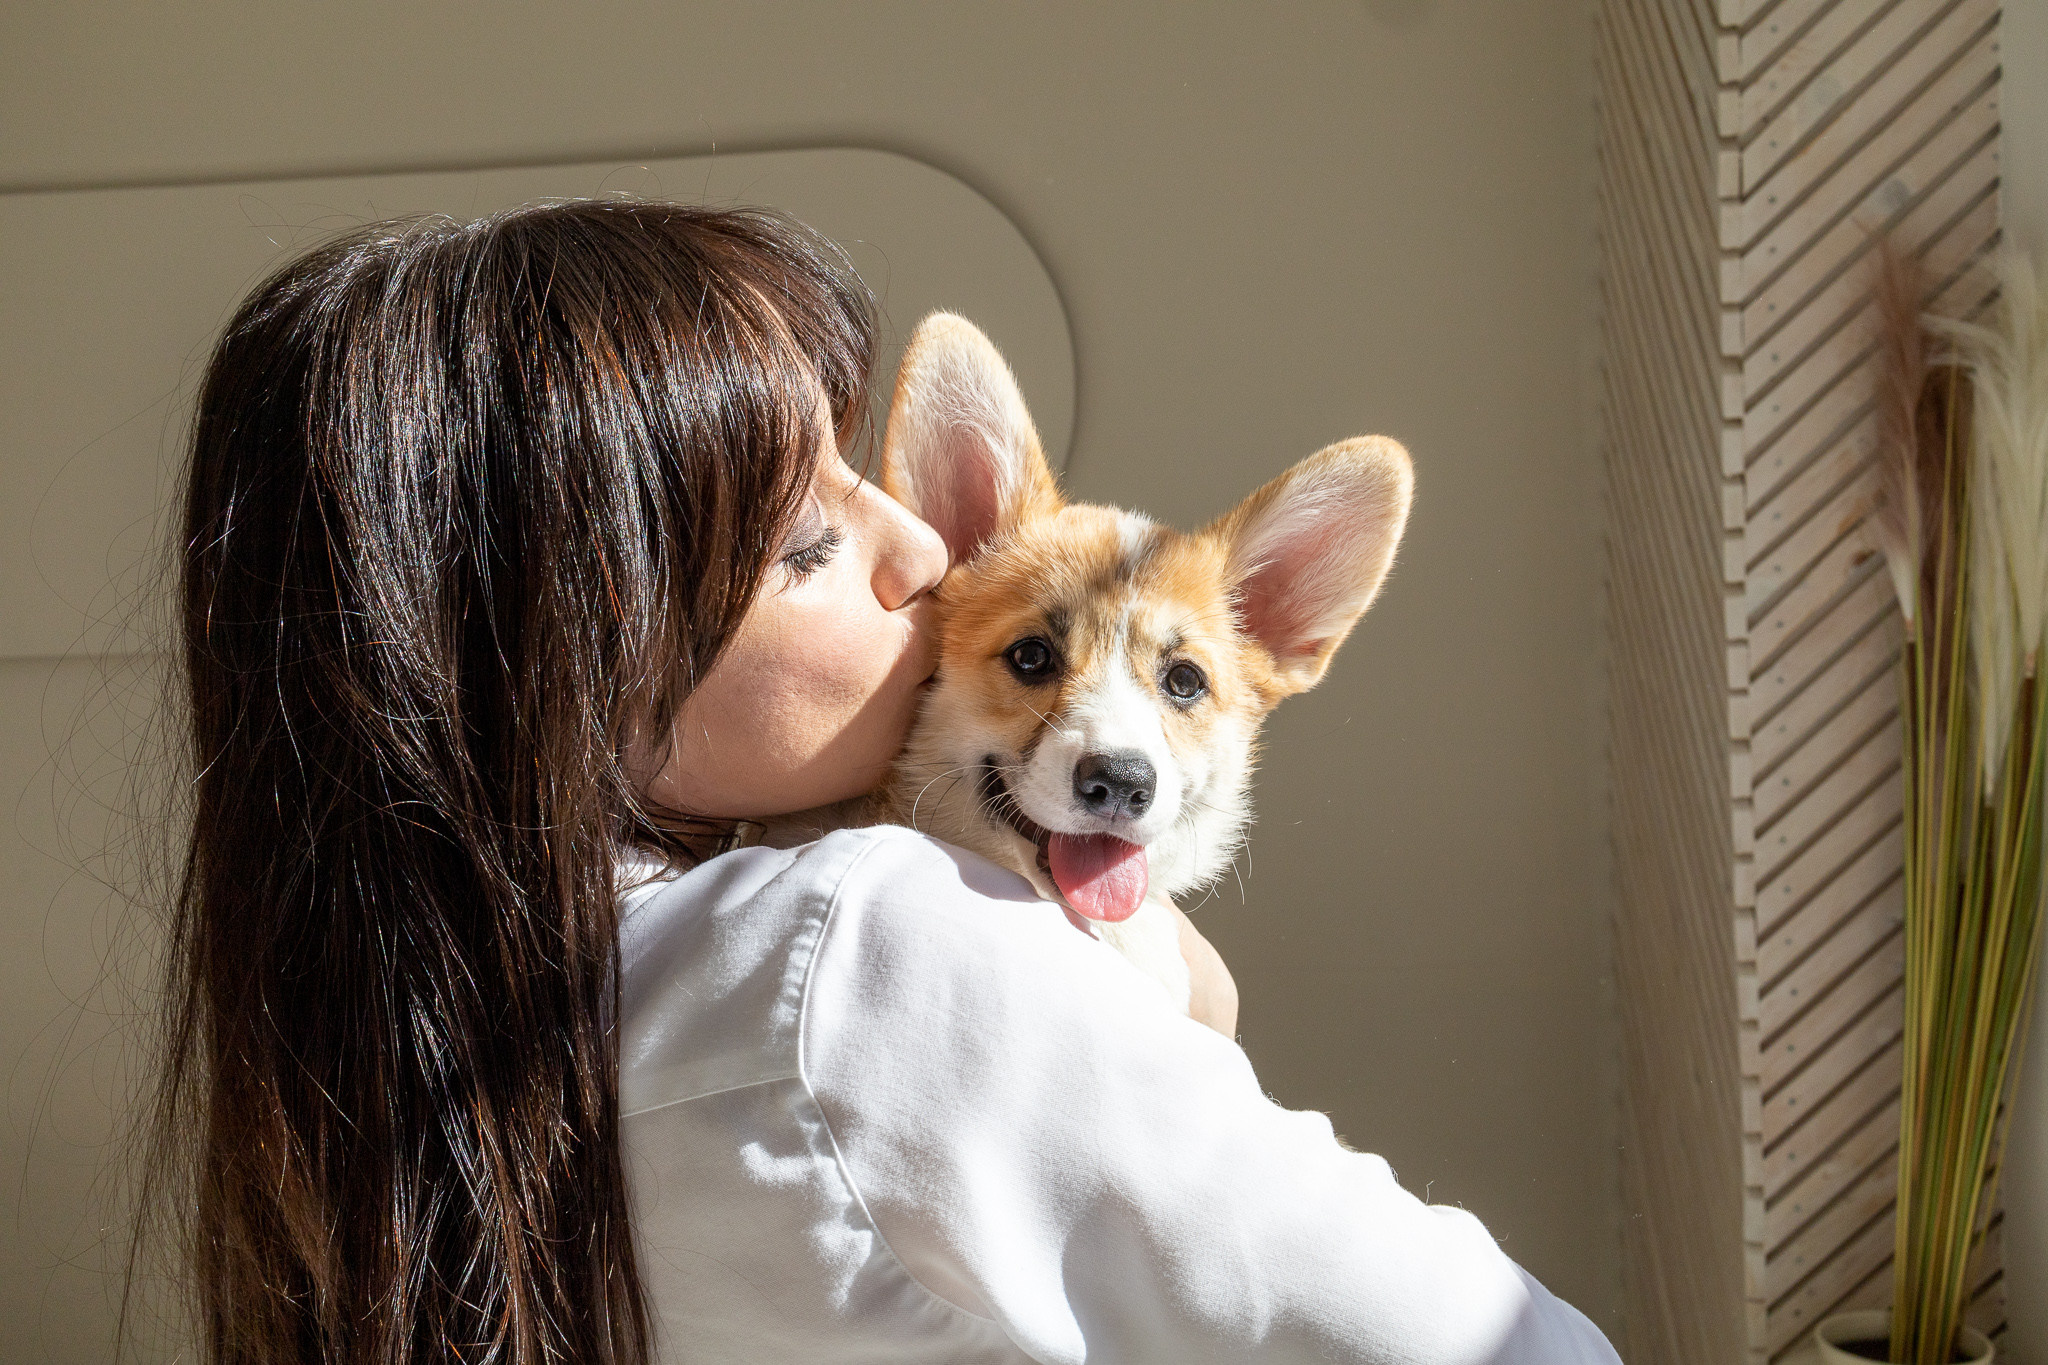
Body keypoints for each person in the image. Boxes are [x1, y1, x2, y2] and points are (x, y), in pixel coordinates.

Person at [156, 199, 1620, 1364]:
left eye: (860, 476)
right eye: (806, 548)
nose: (928, 551)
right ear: (562, 676)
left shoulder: (397, 1048)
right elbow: (1483, 1343)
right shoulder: (869, 944)